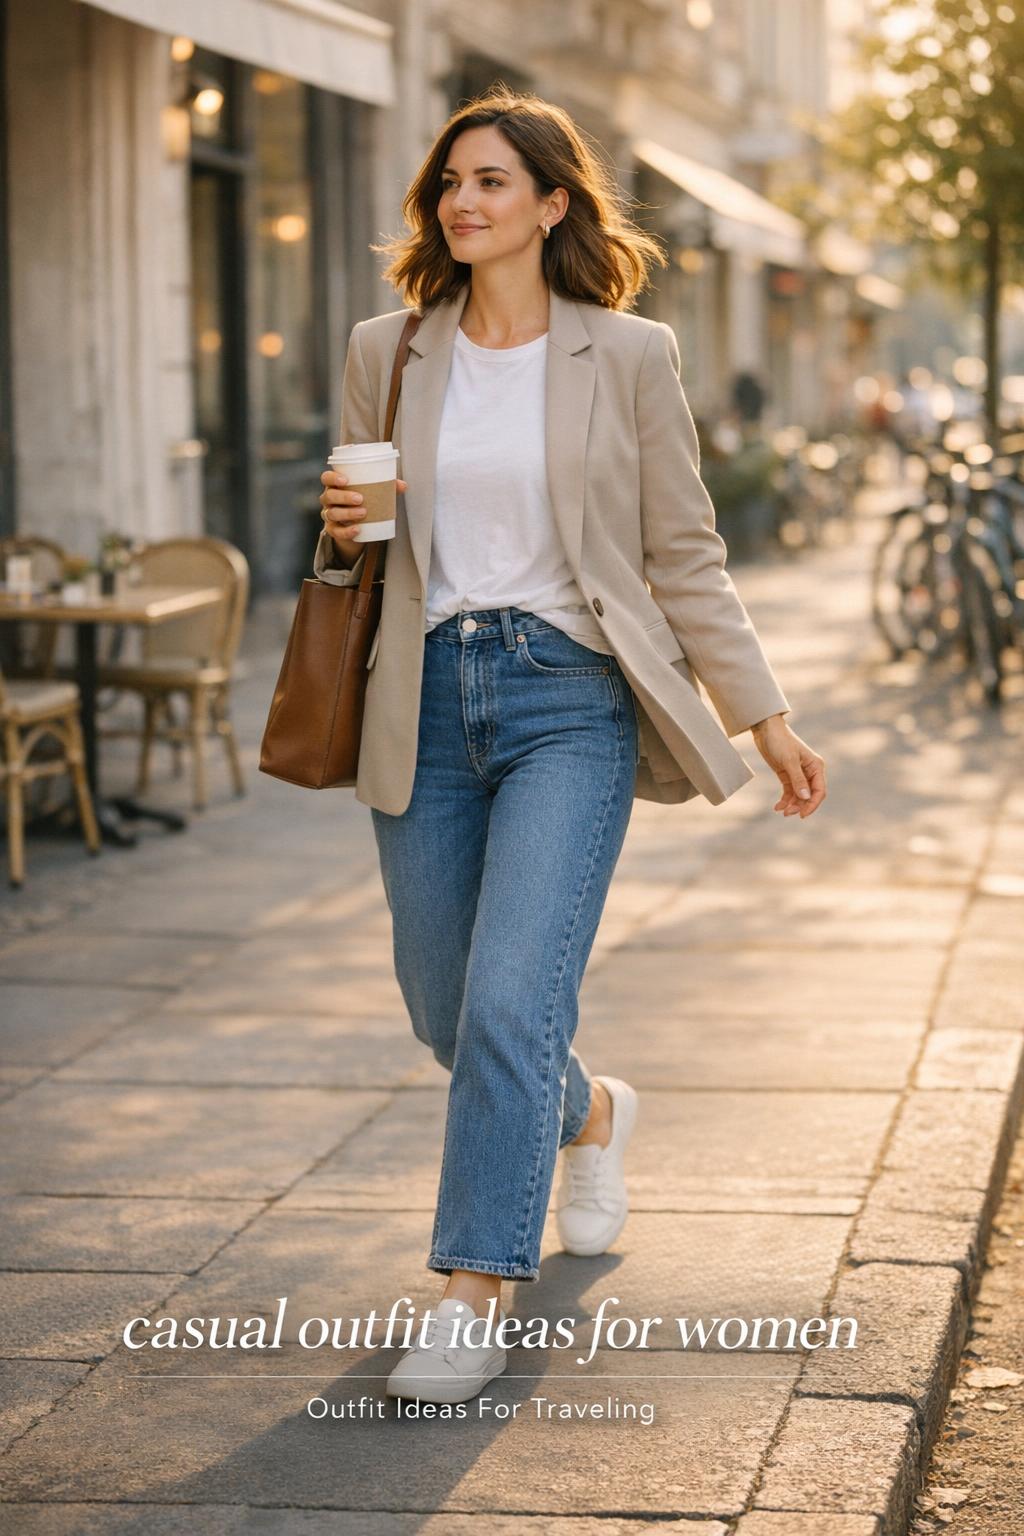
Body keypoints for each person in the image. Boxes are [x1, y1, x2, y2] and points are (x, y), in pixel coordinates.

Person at [315, 90, 826, 1406]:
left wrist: (762, 717)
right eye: (450, 185)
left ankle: (474, 1288)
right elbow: (358, 556)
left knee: (505, 1003)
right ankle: (591, 1114)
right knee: (449, 1007)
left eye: (492, 182)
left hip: (568, 703)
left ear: (553, 203)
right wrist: (338, 528)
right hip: (420, 700)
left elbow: (684, 556)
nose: (463, 204)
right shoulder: (389, 348)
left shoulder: (631, 355)